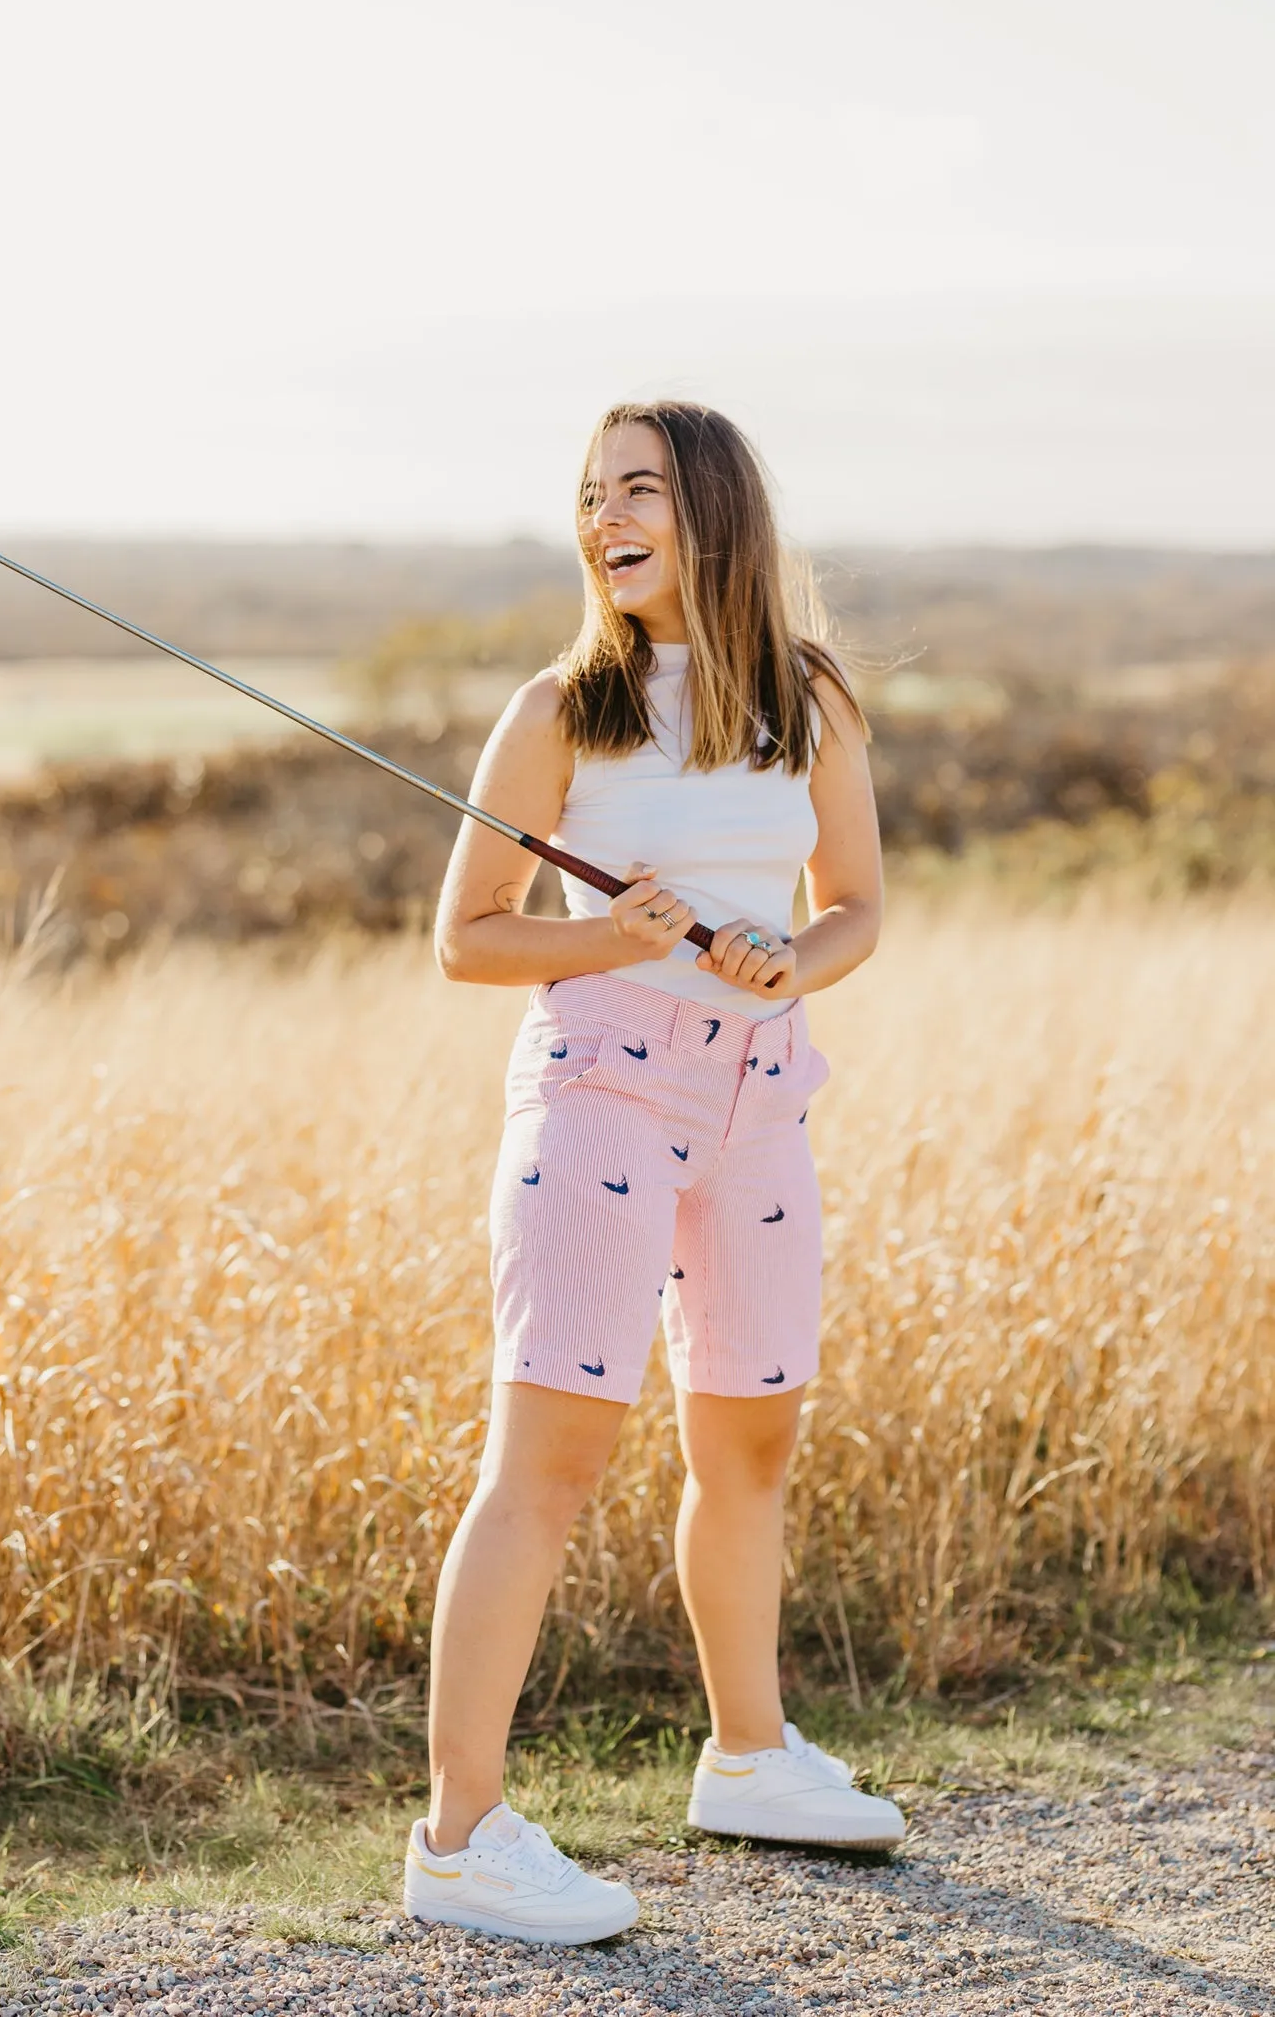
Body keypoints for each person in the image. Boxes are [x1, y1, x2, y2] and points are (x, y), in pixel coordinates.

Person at [405, 401, 902, 1944]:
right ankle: (459, 1835)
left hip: (760, 1094)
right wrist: (606, 935)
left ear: (713, 513)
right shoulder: (564, 707)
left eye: (639, 490)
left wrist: (785, 959)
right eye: (590, 493)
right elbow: (467, 935)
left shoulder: (807, 697)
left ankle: (747, 1755)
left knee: (749, 1440)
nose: (605, 516)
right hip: (602, 1091)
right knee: (545, 1466)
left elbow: (856, 905)